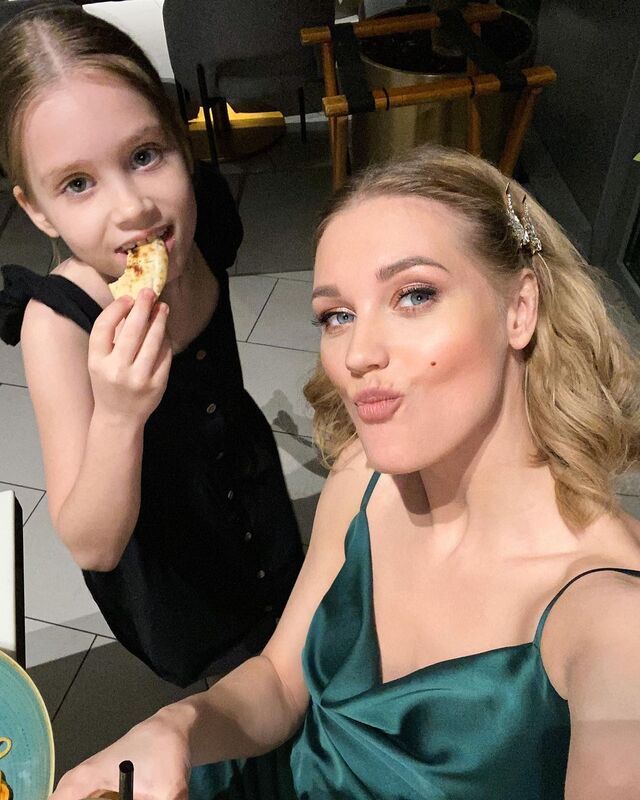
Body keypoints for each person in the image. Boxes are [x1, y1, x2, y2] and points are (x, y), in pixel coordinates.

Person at [52, 143, 640, 800]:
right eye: (337, 315)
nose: (358, 353)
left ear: (520, 308)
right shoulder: (365, 479)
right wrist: (175, 727)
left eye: (414, 295)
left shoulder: (613, 622)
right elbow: (279, 683)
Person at [0, 4, 303, 689]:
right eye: (78, 184)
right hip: (172, 565)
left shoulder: (203, 224)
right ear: (38, 210)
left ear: (182, 143)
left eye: (144, 156)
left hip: (251, 491)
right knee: (232, 689)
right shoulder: (59, 324)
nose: (132, 207)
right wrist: (117, 414)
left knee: (291, 631)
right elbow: (92, 542)